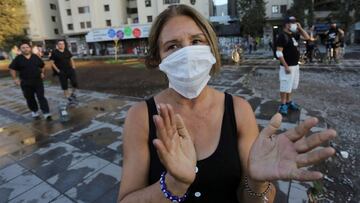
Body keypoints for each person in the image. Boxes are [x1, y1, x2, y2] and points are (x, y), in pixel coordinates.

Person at [118, 5, 336, 203]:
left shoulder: (239, 110)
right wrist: (174, 185)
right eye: (172, 46)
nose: (187, 54)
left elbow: (255, 198)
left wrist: (257, 180)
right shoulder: (141, 117)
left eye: (196, 41)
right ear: (158, 58)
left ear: (211, 47)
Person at [9, 41, 52, 120]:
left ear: (30, 48)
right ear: (20, 49)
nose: (25, 49)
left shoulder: (35, 57)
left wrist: (42, 73)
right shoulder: (18, 59)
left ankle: (46, 113)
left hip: (37, 81)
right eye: (23, 48)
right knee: (30, 98)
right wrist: (15, 79)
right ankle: (34, 111)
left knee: (41, 97)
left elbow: (42, 65)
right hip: (25, 82)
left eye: (27, 47)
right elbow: (12, 68)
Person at [276, 16, 310, 116]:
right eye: (293, 23)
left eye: (295, 23)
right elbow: (279, 53)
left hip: (295, 66)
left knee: (290, 86)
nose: (295, 24)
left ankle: (288, 101)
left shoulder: (293, 35)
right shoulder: (282, 36)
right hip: (287, 66)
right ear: (287, 24)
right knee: (285, 85)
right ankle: (283, 104)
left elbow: (307, 37)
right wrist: (286, 66)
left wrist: (300, 28)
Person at [50, 40, 78, 105]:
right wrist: (58, 70)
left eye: (63, 44)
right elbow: (52, 63)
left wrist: (73, 66)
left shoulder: (67, 51)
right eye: (60, 44)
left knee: (75, 83)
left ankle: (72, 94)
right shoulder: (54, 52)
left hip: (70, 69)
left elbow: (71, 58)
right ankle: (69, 99)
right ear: (57, 45)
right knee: (64, 86)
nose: (62, 45)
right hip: (61, 71)